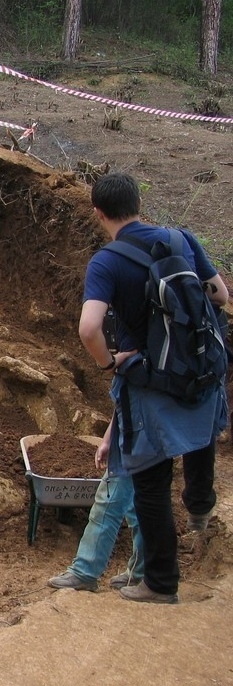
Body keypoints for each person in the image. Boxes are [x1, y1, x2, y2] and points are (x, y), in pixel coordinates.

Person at [79, 172, 228, 604]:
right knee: (202, 436)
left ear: (98, 213)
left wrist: (109, 361)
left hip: (152, 382)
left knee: (150, 486)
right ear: (139, 203)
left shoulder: (107, 261)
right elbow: (219, 293)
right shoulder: (181, 240)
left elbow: (90, 327)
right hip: (202, 374)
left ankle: (160, 583)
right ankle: (200, 502)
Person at [47, 419, 144, 592]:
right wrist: (108, 439)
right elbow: (123, 402)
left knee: (109, 502)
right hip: (141, 437)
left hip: (140, 439)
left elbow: (129, 398)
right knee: (139, 506)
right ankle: (142, 572)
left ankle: (85, 572)